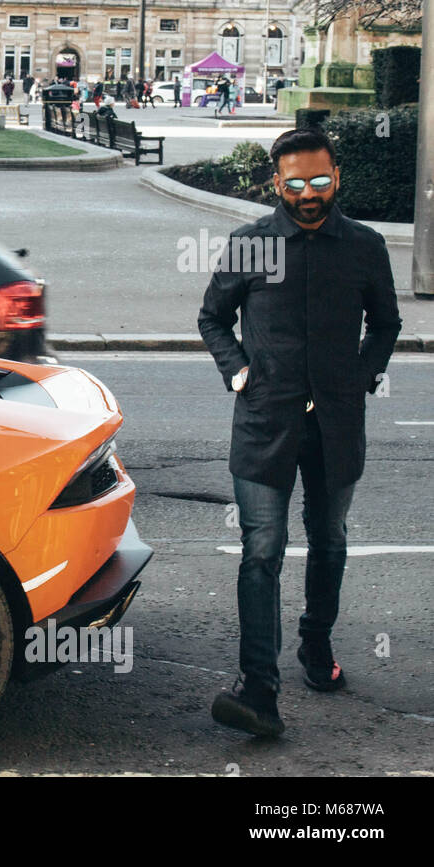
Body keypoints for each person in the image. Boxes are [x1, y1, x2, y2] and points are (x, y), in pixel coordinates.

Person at [198, 128, 402, 737]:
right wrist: (237, 371)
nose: (307, 194)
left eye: (318, 181)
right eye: (294, 184)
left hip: (337, 425)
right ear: (277, 184)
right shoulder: (250, 244)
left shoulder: (365, 245)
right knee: (262, 550)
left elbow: (386, 324)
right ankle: (258, 689)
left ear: (336, 177)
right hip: (265, 421)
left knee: (330, 539)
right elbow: (212, 317)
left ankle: (316, 646)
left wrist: (360, 378)